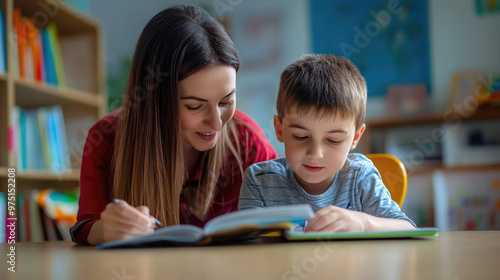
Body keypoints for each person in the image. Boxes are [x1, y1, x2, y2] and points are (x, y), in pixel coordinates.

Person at [70, 5, 277, 245]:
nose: (217, 122)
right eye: (194, 106)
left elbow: (290, 213)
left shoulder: (248, 139)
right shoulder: (106, 138)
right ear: (157, 101)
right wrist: (108, 229)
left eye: (227, 101)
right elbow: (86, 227)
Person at [238, 54, 416, 232]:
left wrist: (363, 223)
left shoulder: (359, 177)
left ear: (355, 138)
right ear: (279, 129)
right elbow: (247, 245)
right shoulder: (259, 181)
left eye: (333, 140)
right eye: (300, 136)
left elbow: (408, 229)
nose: (315, 153)